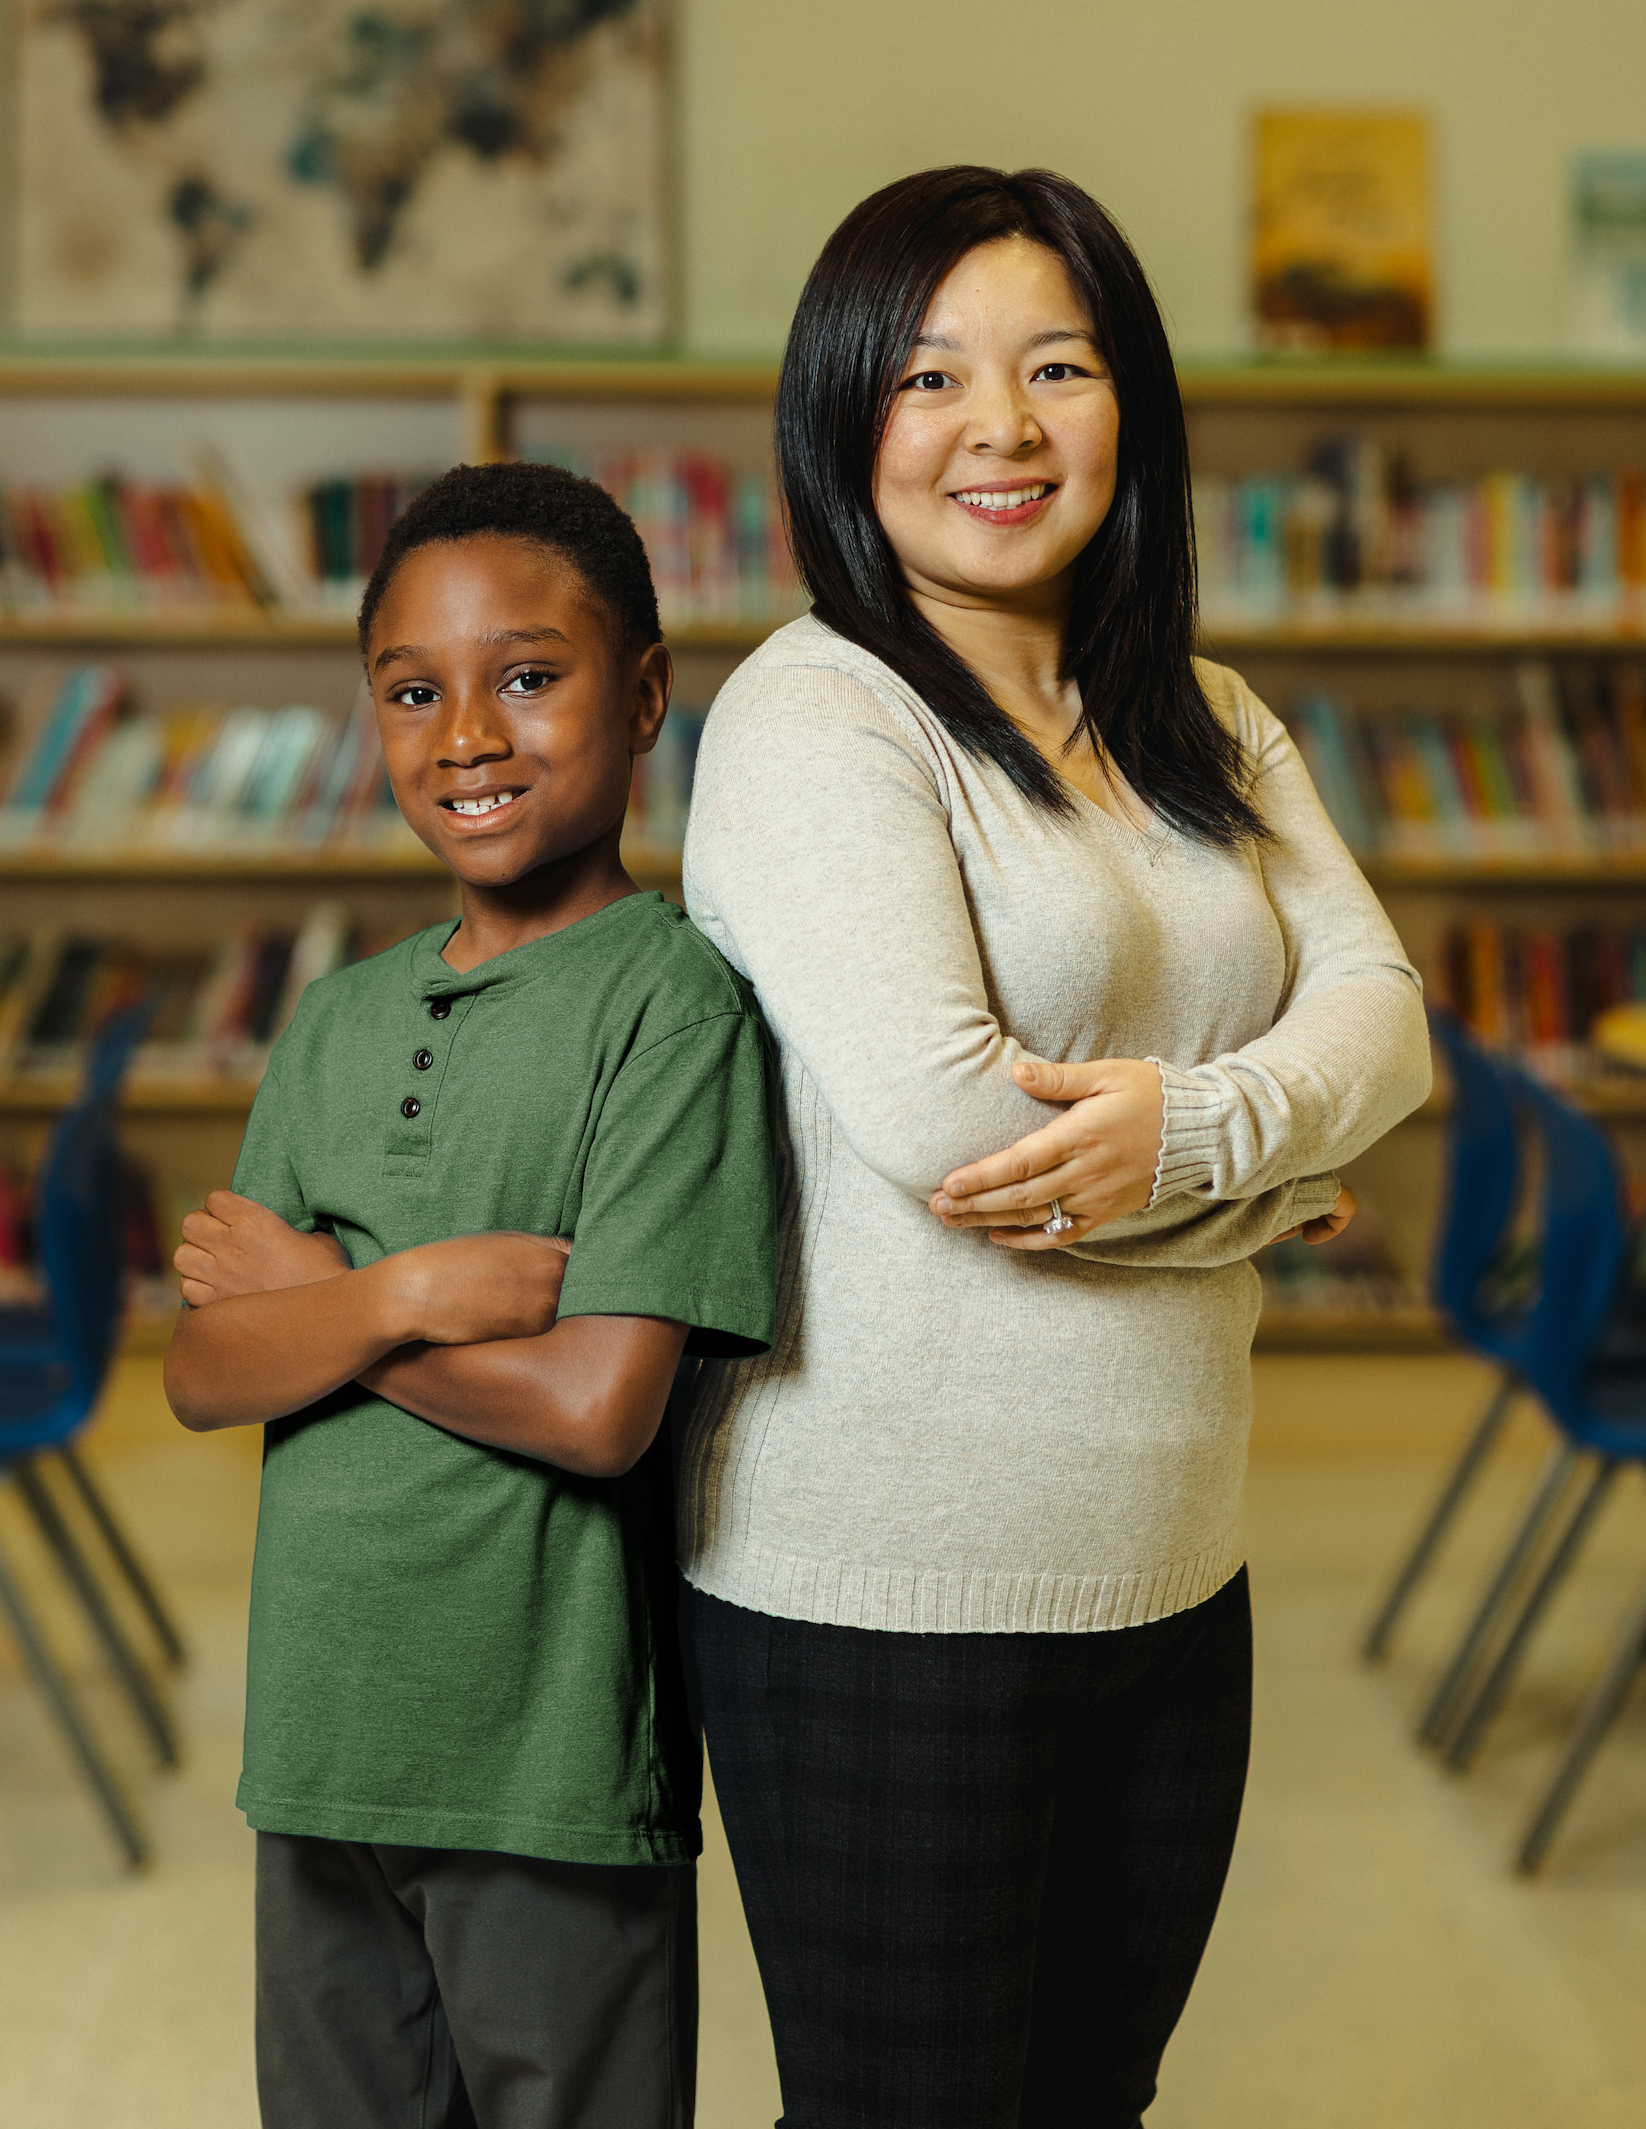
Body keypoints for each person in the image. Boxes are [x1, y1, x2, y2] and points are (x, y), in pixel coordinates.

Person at [677, 165, 1432, 2129]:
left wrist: (1185, 1131)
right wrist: (1265, 1184)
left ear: (1133, 406)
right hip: (877, 1580)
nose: (997, 425)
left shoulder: (1209, 715)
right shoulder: (815, 711)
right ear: (843, 416)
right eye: (926, 375)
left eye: (1056, 366)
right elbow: (954, 1128)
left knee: (1090, 2098)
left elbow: (1384, 1022)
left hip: (1176, 1552)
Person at [164, 462, 779, 2129]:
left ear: (644, 694)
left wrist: (325, 1306)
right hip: (318, 1748)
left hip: (549, 1772)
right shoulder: (335, 1020)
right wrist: (408, 1296)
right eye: (413, 692)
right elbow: (207, 1367)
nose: (468, 738)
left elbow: (597, 1408)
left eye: (528, 677)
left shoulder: (674, 1008)